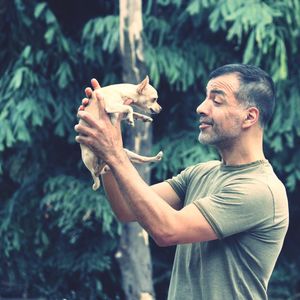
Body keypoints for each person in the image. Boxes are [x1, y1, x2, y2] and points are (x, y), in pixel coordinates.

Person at [74, 64, 289, 300]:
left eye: (216, 101)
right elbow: (127, 208)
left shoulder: (259, 190)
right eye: (205, 98)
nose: (201, 108)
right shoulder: (201, 173)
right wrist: (105, 145)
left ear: (249, 116)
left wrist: (114, 152)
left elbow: (167, 230)